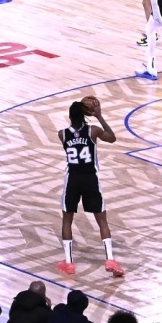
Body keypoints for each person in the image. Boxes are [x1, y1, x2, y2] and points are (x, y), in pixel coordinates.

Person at [58, 97, 125, 277]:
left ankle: (69, 263)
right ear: (86, 115)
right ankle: (110, 258)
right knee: (102, 220)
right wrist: (100, 117)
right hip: (90, 179)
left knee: (67, 220)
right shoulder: (93, 131)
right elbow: (112, 138)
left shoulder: (62, 134)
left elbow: (74, 134)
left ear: (70, 118)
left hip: (72, 179)